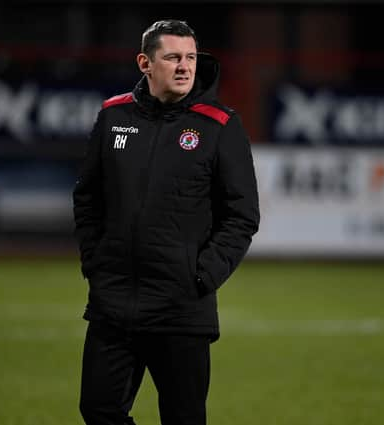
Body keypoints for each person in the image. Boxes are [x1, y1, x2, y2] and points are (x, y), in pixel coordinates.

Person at [72, 19, 260, 425]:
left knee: (183, 417)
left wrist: (200, 276)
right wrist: (96, 262)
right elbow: (88, 198)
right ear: (145, 62)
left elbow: (242, 215)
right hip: (113, 302)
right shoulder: (112, 116)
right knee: (98, 410)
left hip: (180, 308)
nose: (184, 66)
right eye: (173, 56)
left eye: (190, 57)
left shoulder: (220, 126)